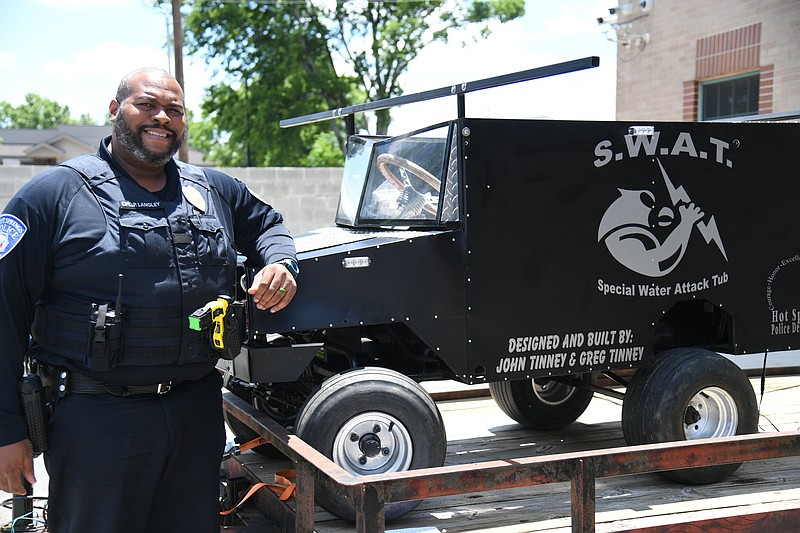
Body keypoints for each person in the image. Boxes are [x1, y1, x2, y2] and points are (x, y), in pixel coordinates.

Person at [0, 67, 299, 532]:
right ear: (115, 109)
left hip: (195, 411)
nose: (163, 117)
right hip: (96, 420)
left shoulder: (212, 189)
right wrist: (6, 430)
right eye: (148, 105)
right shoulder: (53, 196)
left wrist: (281, 263)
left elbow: (268, 225)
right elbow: (4, 314)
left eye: (175, 110)